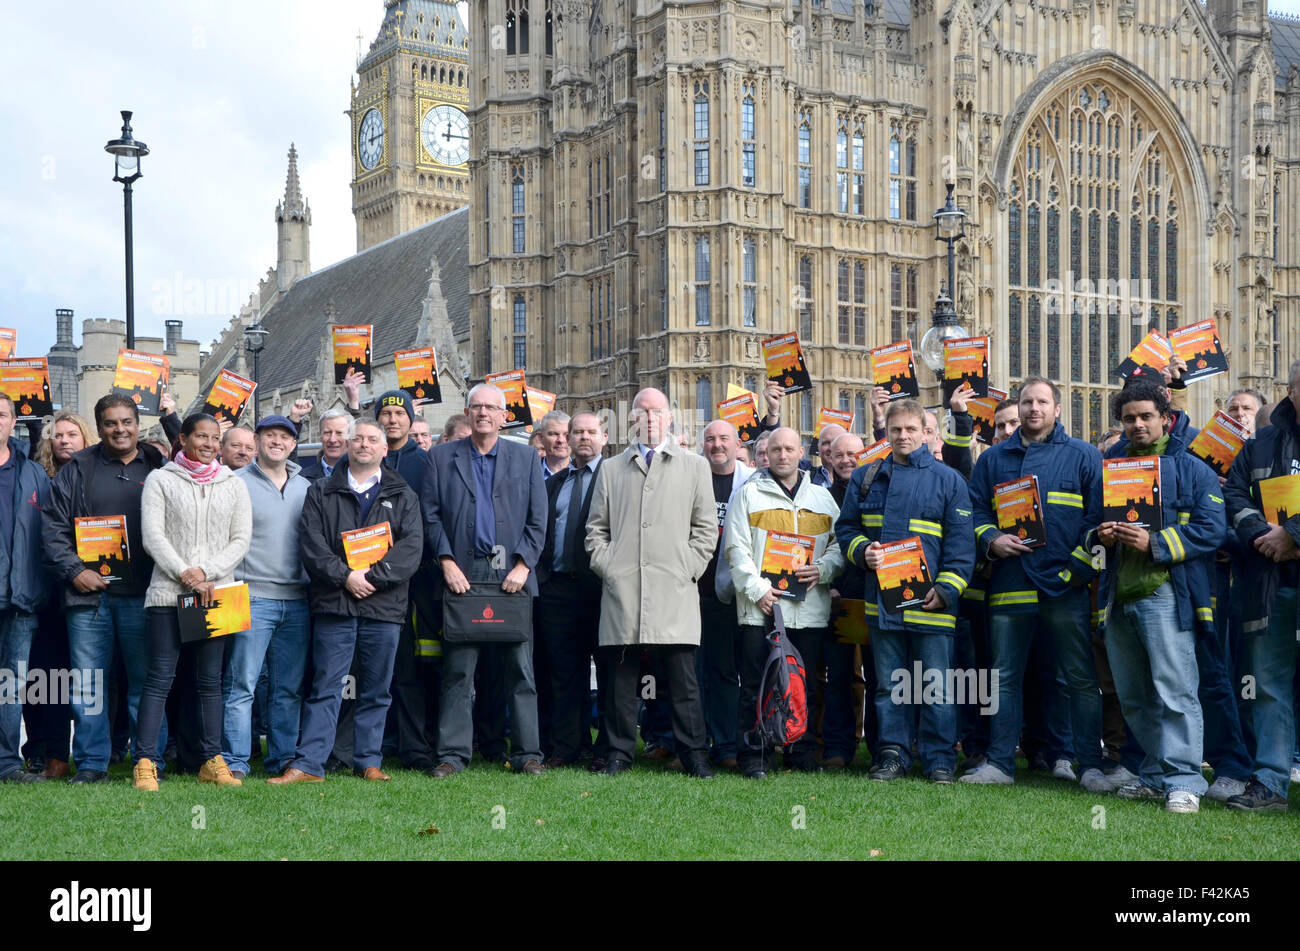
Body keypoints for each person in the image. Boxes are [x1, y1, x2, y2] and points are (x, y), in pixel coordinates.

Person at [964, 377, 1112, 791]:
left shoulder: (1083, 456)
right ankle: (999, 764)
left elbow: (1099, 521)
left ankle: (1089, 765)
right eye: (1027, 401)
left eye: (1042, 402)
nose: (1033, 409)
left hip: (1063, 586)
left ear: (1057, 409)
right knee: (1003, 676)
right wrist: (992, 539)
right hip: (1010, 582)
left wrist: (1076, 571)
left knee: (1078, 678)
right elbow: (973, 512)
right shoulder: (993, 460)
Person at [269, 418, 422, 784]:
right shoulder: (320, 491)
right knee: (326, 687)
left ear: (385, 449)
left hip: (383, 607)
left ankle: (368, 760)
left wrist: (371, 578)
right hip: (336, 604)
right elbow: (312, 544)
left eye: (373, 440)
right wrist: (346, 577)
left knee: (376, 689)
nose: (364, 444)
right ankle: (309, 764)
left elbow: (411, 548)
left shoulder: (404, 494)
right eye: (358, 439)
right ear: (348, 446)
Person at [1099, 379, 1224, 813]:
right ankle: (1154, 776)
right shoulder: (1109, 469)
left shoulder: (1193, 468)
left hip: (1166, 593)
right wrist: (1100, 534)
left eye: (1145, 416)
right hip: (1117, 595)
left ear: (1164, 418)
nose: (1137, 424)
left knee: (1175, 691)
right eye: (1129, 418)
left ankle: (1186, 780)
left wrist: (1154, 543)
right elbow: (1087, 527)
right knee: (1133, 695)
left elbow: (1213, 529)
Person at [835, 400, 974, 784]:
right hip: (884, 604)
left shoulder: (949, 481)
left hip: (933, 606)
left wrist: (946, 590)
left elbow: (962, 548)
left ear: (927, 433)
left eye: (912, 429)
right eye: (896, 430)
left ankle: (939, 759)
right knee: (891, 685)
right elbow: (845, 530)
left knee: (937, 686)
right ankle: (892, 754)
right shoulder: (867, 477)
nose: (904, 436)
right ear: (887, 432)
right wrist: (863, 551)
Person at [585, 387, 717, 778]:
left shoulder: (695, 467)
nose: (649, 417)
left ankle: (693, 753)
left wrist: (686, 568)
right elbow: (596, 531)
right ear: (631, 420)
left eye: (656, 411)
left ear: (670, 418)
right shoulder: (610, 469)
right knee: (621, 682)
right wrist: (608, 567)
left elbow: (706, 530)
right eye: (641, 411)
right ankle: (618, 753)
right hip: (623, 591)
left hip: (674, 589)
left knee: (683, 682)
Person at [422, 384, 548, 778]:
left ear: (503, 415)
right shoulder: (440, 458)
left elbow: (538, 519)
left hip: (512, 572)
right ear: (467, 411)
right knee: (459, 670)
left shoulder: (526, 457)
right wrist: (445, 561)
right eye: (476, 407)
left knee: (521, 670)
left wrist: (524, 565)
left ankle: (527, 754)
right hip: (462, 572)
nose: (483, 414)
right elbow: (431, 515)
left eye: (491, 408)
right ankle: (453, 756)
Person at [44, 395, 169, 784]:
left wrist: (171, 415)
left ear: (137, 423)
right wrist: (74, 571)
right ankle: (92, 763)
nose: (120, 429)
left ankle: (149, 760)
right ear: (99, 429)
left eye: (127, 422)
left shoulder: (159, 464)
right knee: (89, 685)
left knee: (145, 682)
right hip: (89, 597)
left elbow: (198, 452)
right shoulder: (78, 468)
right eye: (111, 423)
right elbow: (52, 528)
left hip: (145, 595)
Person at [132, 414, 252, 791]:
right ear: (183, 439)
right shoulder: (161, 479)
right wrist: (186, 573)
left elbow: (240, 539)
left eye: (215, 438)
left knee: (210, 682)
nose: (210, 444)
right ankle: (145, 762)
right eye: (201, 436)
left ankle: (211, 760)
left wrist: (207, 573)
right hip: (168, 594)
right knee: (159, 679)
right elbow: (153, 536)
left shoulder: (233, 483)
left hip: (218, 593)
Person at [726, 427, 843, 778]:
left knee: (803, 685)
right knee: (755, 684)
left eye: (789, 449)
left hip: (807, 610)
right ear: (766, 452)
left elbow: (839, 547)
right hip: (761, 607)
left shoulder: (823, 498)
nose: (782, 455)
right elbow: (736, 548)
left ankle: (800, 750)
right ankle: (755, 755)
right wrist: (757, 589)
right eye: (775, 449)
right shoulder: (748, 495)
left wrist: (822, 570)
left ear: (801, 453)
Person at [1221, 359, 1300, 811]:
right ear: (1290, 392)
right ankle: (1270, 781)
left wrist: (1294, 535)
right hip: (1272, 582)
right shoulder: (1260, 444)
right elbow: (1234, 494)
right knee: (1268, 684)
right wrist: (1265, 538)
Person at [223, 415, 311, 779]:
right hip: (248, 596)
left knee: (287, 689)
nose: (277, 442)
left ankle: (282, 759)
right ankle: (235, 762)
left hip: (297, 600)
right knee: (241, 685)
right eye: (269, 435)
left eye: (285, 437)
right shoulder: (234, 482)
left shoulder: (307, 486)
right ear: (257, 441)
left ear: (293, 444)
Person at [536, 411, 609, 768]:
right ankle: (567, 746)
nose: (581, 437)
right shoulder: (556, 482)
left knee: (610, 673)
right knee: (564, 672)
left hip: (602, 589)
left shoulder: (617, 479)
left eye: (590, 431)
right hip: (559, 590)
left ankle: (607, 748)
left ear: (604, 437)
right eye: (575, 432)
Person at [23, 411, 93, 779]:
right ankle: (42, 751)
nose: (64, 440)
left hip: (88, 592)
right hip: (44, 590)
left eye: (72, 434)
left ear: (86, 437)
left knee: (82, 677)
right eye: (58, 435)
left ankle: (87, 752)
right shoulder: (36, 477)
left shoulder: (95, 474)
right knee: (39, 676)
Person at [695, 419, 754, 768]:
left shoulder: (752, 481)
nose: (717, 445)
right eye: (710, 440)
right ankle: (695, 743)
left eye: (723, 439)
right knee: (693, 673)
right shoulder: (691, 476)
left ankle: (729, 746)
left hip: (735, 591)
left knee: (727, 672)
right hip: (691, 589)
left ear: (736, 444)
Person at [0, 395, 53, 782]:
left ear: (13, 421)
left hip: (20, 597)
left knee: (12, 686)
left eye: (0, 414)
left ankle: (6, 763)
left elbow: (49, 533)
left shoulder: (33, 472)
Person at [298, 408, 351, 483]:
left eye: (339, 433)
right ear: (320, 436)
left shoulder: (365, 477)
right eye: (327, 433)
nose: (332, 440)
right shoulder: (301, 479)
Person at [536, 410, 571, 481]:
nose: (561, 440)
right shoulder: (527, 474)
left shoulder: (583, 473)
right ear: (541, 438)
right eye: (554, 434)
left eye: (566, 435)